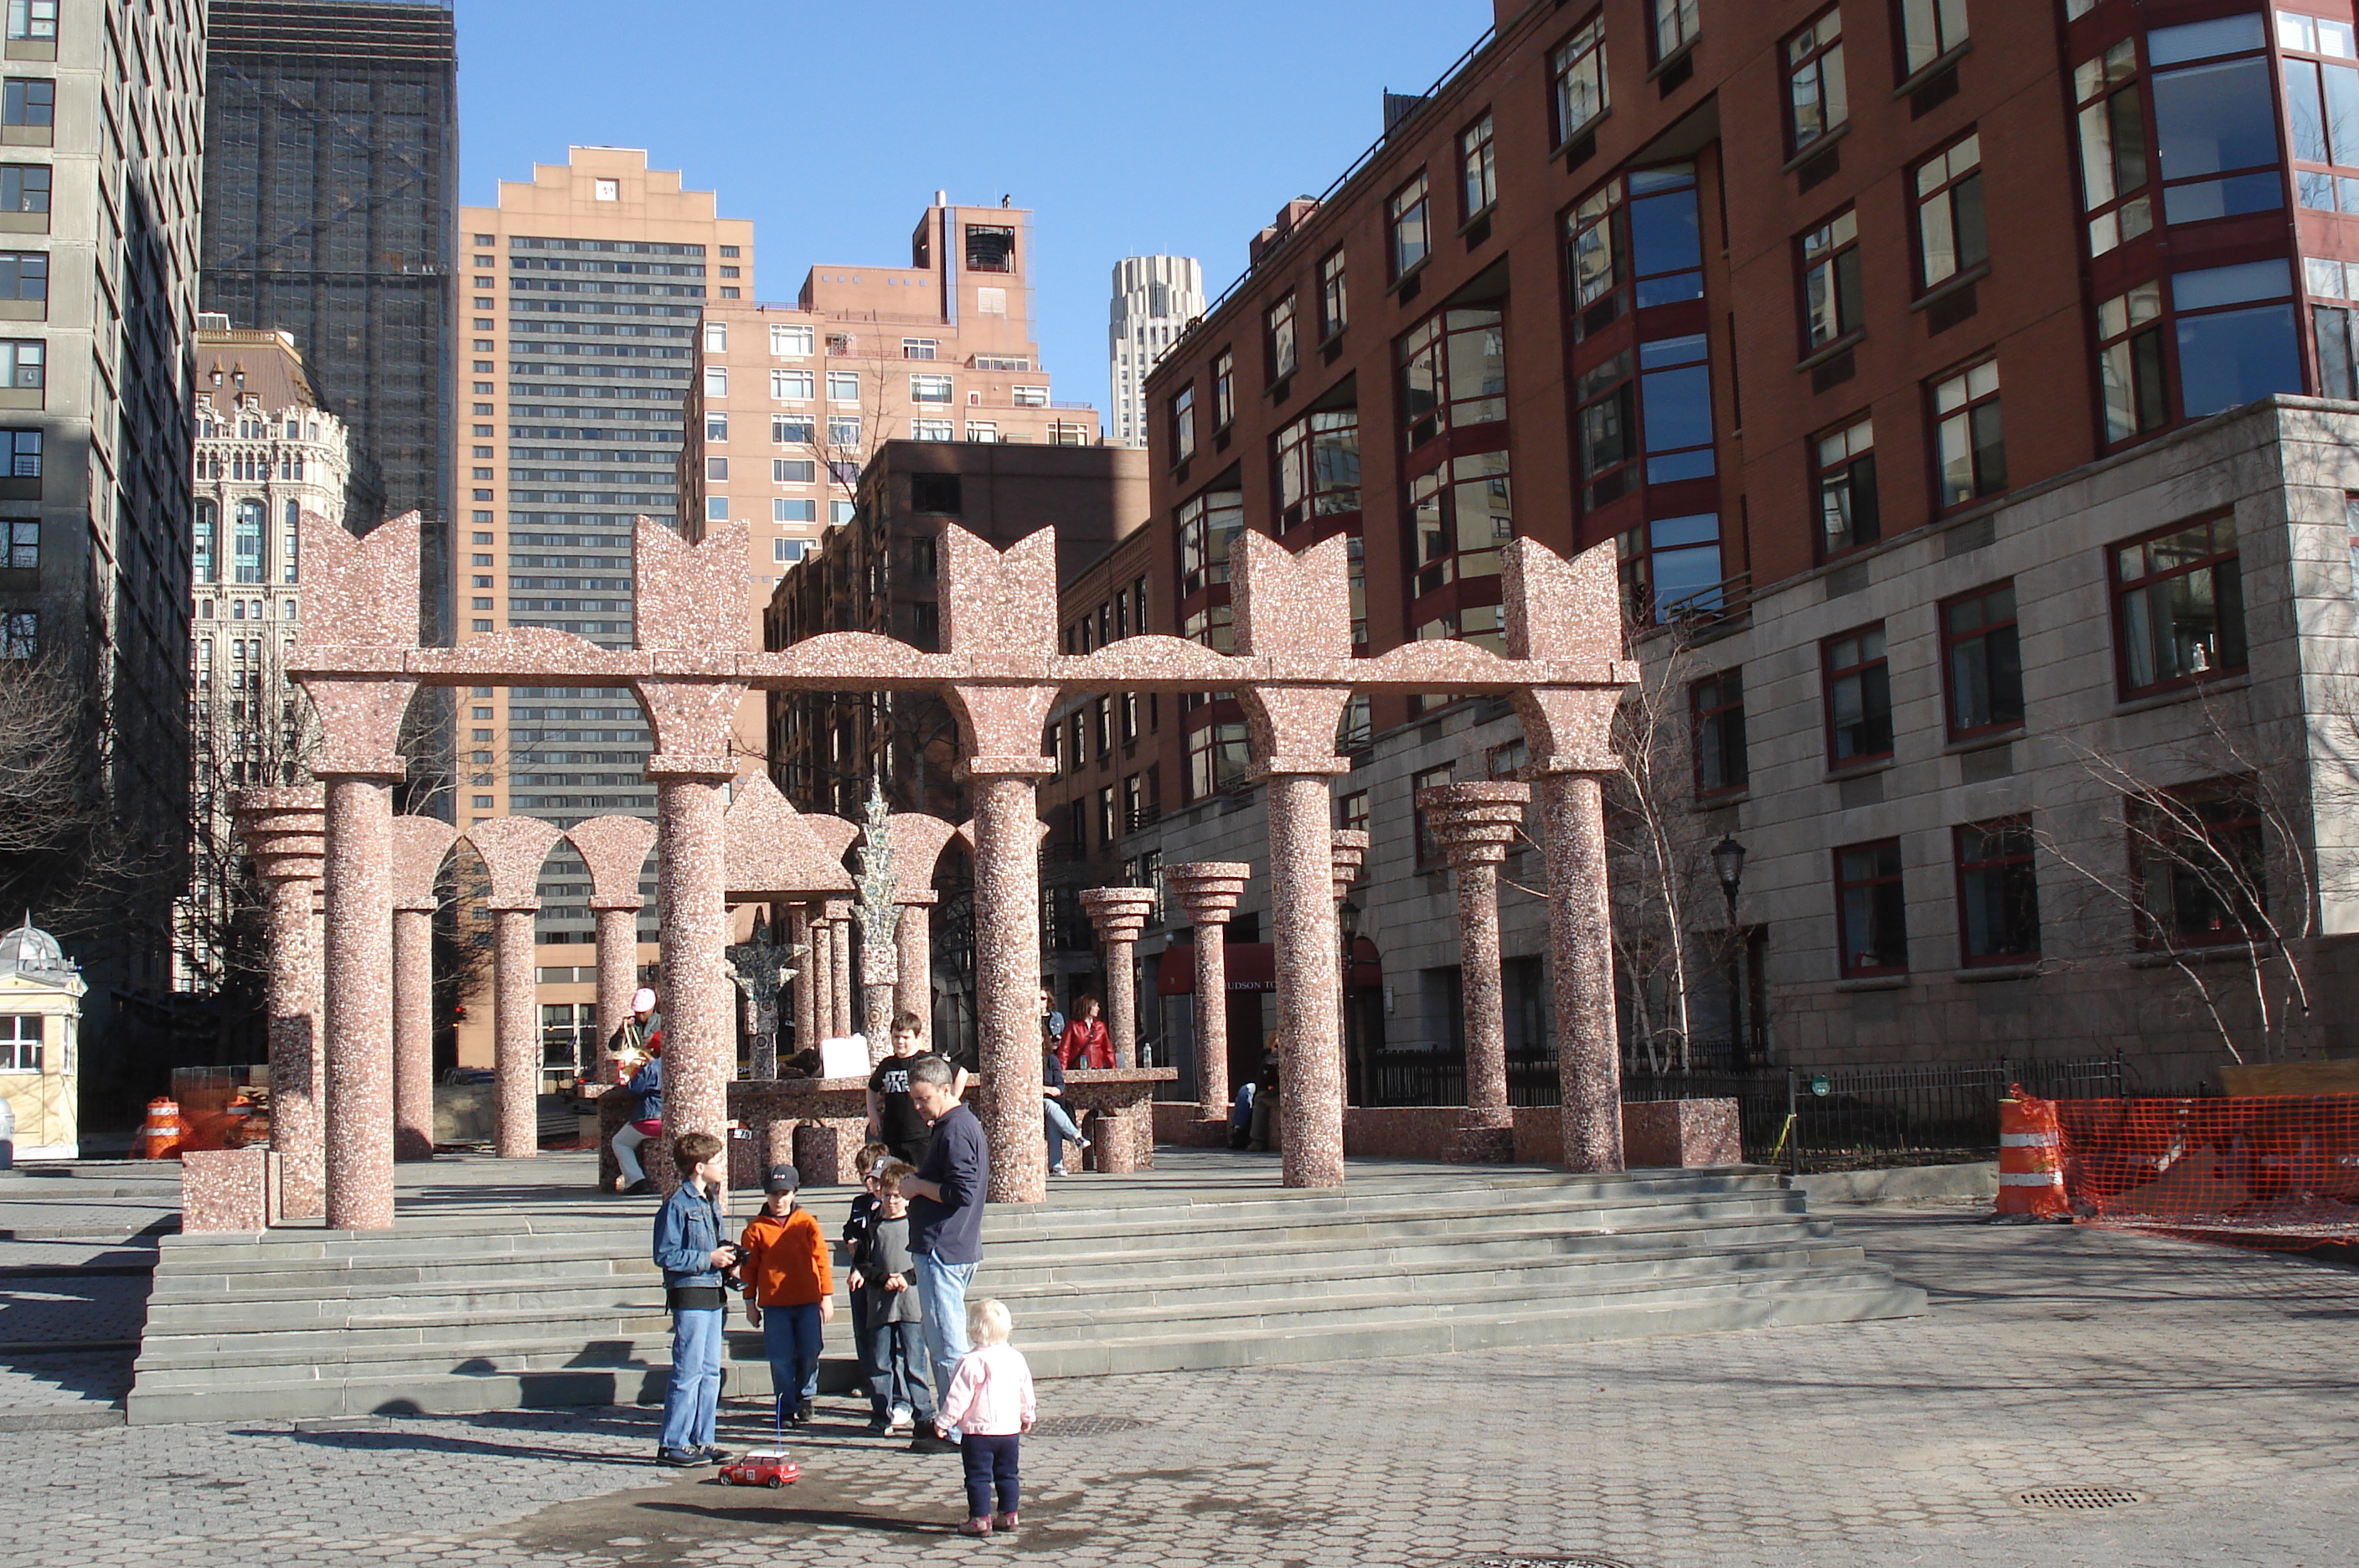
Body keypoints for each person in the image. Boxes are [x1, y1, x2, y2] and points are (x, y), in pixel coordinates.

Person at [900, 1052, 986, 1455]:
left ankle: (954, 1428)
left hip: (943, 1247)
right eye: (913, 1101)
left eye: (922, 1099)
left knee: (947, 1342)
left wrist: (917, 1187)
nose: (918, 1108)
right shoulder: (955, 1124)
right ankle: (951, 1419)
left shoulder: (954, 1130)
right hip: (954, 1244)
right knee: (944, 1338)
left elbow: (961, 1191)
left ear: (944, 1089)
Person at [651, 1131, 736, 1467]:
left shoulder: (709, 1201)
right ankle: (672, 1442)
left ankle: (704, 1439)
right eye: (716, 1161)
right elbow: (665, 1254)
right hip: (690, 1294)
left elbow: (713, 1243)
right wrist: (707, 1259)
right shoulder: (677, 1205)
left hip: (714, 1293)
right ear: (699, 1167)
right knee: (687, 1372)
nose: (722, 1166)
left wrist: (729, 1260)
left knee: (710, 1371)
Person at [737, 1163, 834, 1428]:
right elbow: (749, 1268)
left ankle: (806, 1395)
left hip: (807, 1300)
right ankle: (785, 1404)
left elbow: (822, 1259)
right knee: (780, 1357)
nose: (779, 1200)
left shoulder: (806, 1223)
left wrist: (826, 1295)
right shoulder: (755, 1229)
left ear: (794, 1193)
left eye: (784, 1193)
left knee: (811, 1350)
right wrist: (749, 1302)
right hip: (775, 1304)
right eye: (773, 1194)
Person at [937, 1297, 1035, 1536]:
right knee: (1008, 1473)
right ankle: (1009, 1514)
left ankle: (980, 1519)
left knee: (978, 1476)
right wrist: (1027, 1415)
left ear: (973, 1330)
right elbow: (1025, 1391)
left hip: (978, 1432)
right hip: (1009, 1430)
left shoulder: (972, 1361)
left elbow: (958, 1397)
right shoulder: (1016, 1358)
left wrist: (944, 1422)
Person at [851, 1159, 936, 1435]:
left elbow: (925, 1261)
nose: (892, 1202)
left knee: (914, 1362)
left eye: (897, 1196)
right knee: (880, 1363)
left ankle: (923, 1414)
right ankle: (880, 1414)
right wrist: (881, 1278)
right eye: (887, 1196)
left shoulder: (917, 1225)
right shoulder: (873, 1229)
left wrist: (906, 1278)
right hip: (880, 1305)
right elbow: (863, 1263)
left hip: (911, 1306)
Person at [842, 1140, 892, 1396]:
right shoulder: (860, 1203)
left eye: (871, 1177)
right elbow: (851, 1227)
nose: (867, 1184)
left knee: (883, 1331)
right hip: (859, 1273)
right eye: (863, 1178)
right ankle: (868, 1377)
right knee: (862, 1327)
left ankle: (889, 1383)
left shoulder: (893, 1202)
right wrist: (850, 1240)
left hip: (881, 1272)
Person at [866, 1011, 932, 1166]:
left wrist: (943, 1113)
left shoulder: (926, 1061)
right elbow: (872, 1088)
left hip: (920, 1135)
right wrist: (873, 1114)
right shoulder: (887, 1065)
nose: (900, 1041)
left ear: (916, 1038)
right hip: (892, 1135)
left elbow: (959, 1074)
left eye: (906, 1037)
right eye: (896, 1037)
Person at [612, 1038, 663, 1195]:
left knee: (620, 1142)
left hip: (651, 1119)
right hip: (677, 1119)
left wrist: (641, 1069)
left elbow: (634, 1089)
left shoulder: (653, 1067)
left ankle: (636, 1180)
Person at [1041, 1040, 1091, 1176]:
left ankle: (1056, 1166)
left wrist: (1045, 1089)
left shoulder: (1051, 1060)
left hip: (1051, 1101)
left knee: (1052, 1116)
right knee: (1049, 1106)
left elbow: (1059, 1087)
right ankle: (1076, 1136)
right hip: (1033, 1102)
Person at [1057, 994, 1112, 1070]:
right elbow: (1064, 1050)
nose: (1098, 1009)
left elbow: (1108, 1049)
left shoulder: (1100, 1026)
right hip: (1078, 1068)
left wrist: (1113, 1068)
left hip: (1098, 1067)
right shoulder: (1073, 1026)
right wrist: (1062, 1071)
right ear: (1087, 1007)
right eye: (1095, 1006)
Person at [1247, 1044, 1282, 1153]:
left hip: (1287, 1096)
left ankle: (1257, 1140)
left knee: (1260, 1100)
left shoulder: (1274, 1058)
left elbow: (1262, 1080)